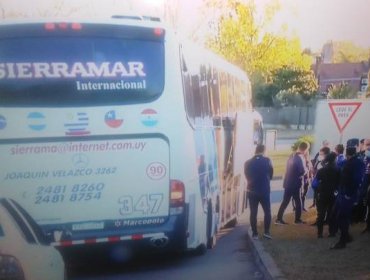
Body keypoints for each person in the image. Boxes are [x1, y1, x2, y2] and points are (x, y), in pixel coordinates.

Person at [331, 147, 364, 249]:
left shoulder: (353, 163)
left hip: (347, 194)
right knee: (336, 214)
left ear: (347, 153)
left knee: (342, 217)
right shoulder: (354, 162)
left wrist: (348, 194)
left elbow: (356, 180)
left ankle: (343, 241)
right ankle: (346, 236)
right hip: (344, 192)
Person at [275, 141, 309, 225]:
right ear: (305, 149)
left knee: (285, 201)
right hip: (296, 183)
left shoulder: (292, 155)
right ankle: (297, 220)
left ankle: (279, 219)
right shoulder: (300, 158)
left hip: (288, 182)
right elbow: (301, 171)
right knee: (298, 201)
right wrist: (306, 170)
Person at [244, 144, 273, 240]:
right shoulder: (268, 161)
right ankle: (267, 232)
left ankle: (255, 233)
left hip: (252, 190)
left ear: (255, 150)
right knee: (267, 211)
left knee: (253, 212)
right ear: (264, 151)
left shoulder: (247, 162)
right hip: (264, 190)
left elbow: (247, 176)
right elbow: (271, 175)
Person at [313, 152, 340, 238]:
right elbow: (341, 183)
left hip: (323, 194)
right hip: (333, 195)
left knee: (321, 214)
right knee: (332, 214)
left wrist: (317, 191)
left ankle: (319, 233)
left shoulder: (321, 170)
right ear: (334, 159)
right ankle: (332, 232)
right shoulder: (338, 170)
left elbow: (314, 183)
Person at [361, 138, 370, 234]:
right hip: (365, 176)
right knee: (365, 198)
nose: (367, 146)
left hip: (367, 177)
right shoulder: (365, 154)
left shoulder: (367, 153)